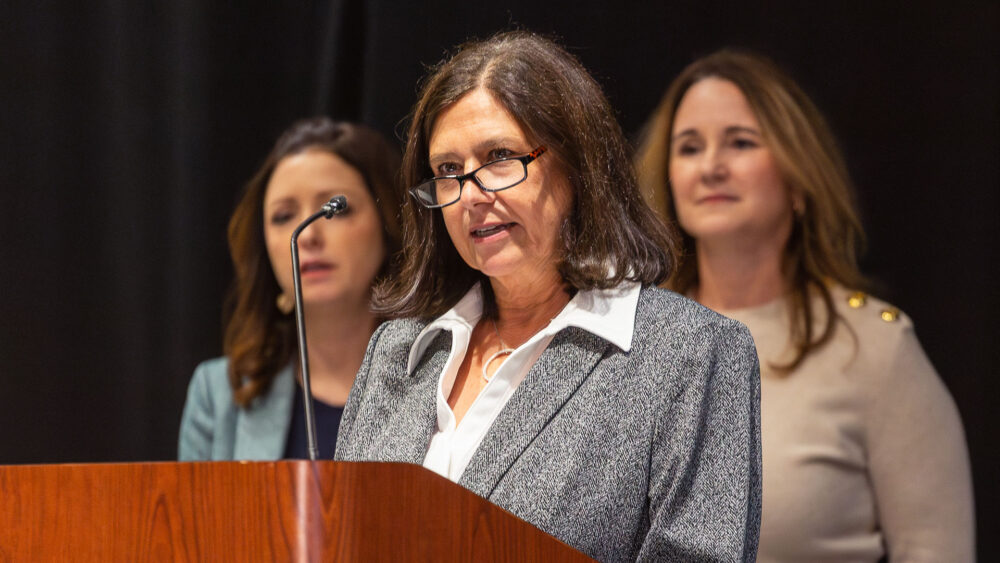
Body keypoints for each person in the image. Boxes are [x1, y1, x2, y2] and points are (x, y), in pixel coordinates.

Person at [334, 31, 761, 562]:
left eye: (499, 157)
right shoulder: (396, 354)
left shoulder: (691, 354)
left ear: (577, 166)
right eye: (447, 171)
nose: (471, 194)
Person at [636, 49, 975, 562]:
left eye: (740, 142)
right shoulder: (629, 339)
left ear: (796, 178)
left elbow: (936, 550)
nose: (710, 167)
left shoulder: (875, 347)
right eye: (689, 148)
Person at [178, 118, 403, 461]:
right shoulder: (218, 395)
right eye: (284, 216)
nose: (308, 234)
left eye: (335, 209)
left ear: (388, 223)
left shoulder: (443, 380)